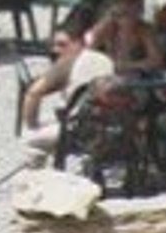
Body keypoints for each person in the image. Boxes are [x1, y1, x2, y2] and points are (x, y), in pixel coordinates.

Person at [21, 13, 113, 160]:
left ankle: (37, 179)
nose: (56, 50)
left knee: (28, 141)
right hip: (109, 128)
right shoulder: (105, 60)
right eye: (54, 45)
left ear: (79, 42)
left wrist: (32, 126)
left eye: (62, 44)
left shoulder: (69, 62)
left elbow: (33, 93)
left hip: (76, 130)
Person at [87, 0, 164, 73]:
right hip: (108, 77)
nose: (126, 7)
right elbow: (90, 50)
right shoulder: (108, 27)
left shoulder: (145, 30)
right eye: (121, 2)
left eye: (131, 3)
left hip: (137, 79)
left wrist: (130, 66)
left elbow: (156, 60)